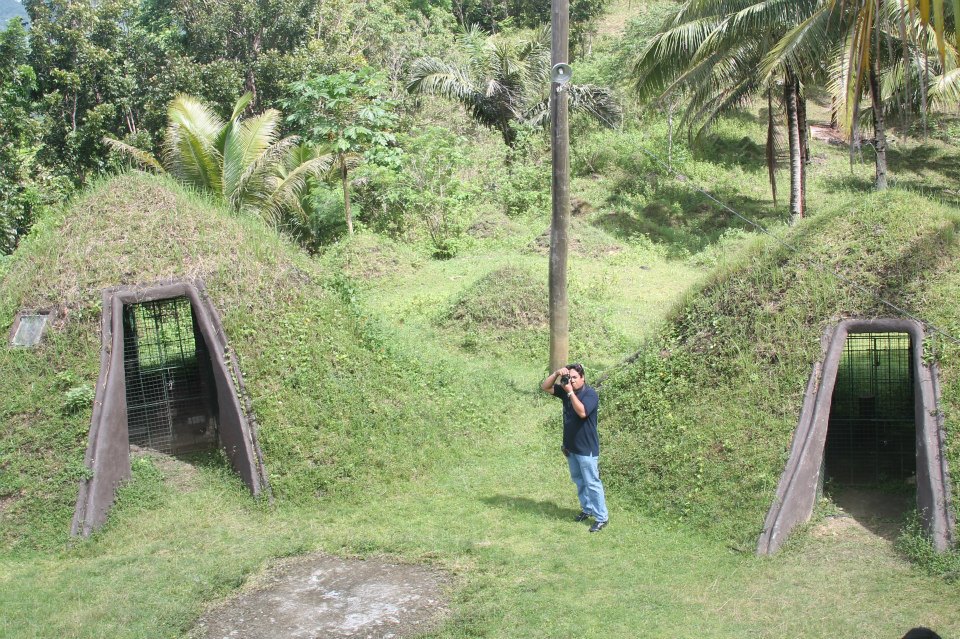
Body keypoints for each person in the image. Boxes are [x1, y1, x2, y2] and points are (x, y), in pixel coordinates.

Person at [541, 362, 609, 532]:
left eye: (575, 378)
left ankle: (601, 517)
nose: (571, 381)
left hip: (586, 449)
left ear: (583, 377)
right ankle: (587, 509)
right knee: (579, 481)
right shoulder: (566, 391)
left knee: (592, 483)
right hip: (571, 448)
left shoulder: (590, 394)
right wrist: (557, 373)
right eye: (569, 378)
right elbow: (545, 386)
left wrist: (570, 392)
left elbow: (583, 412)